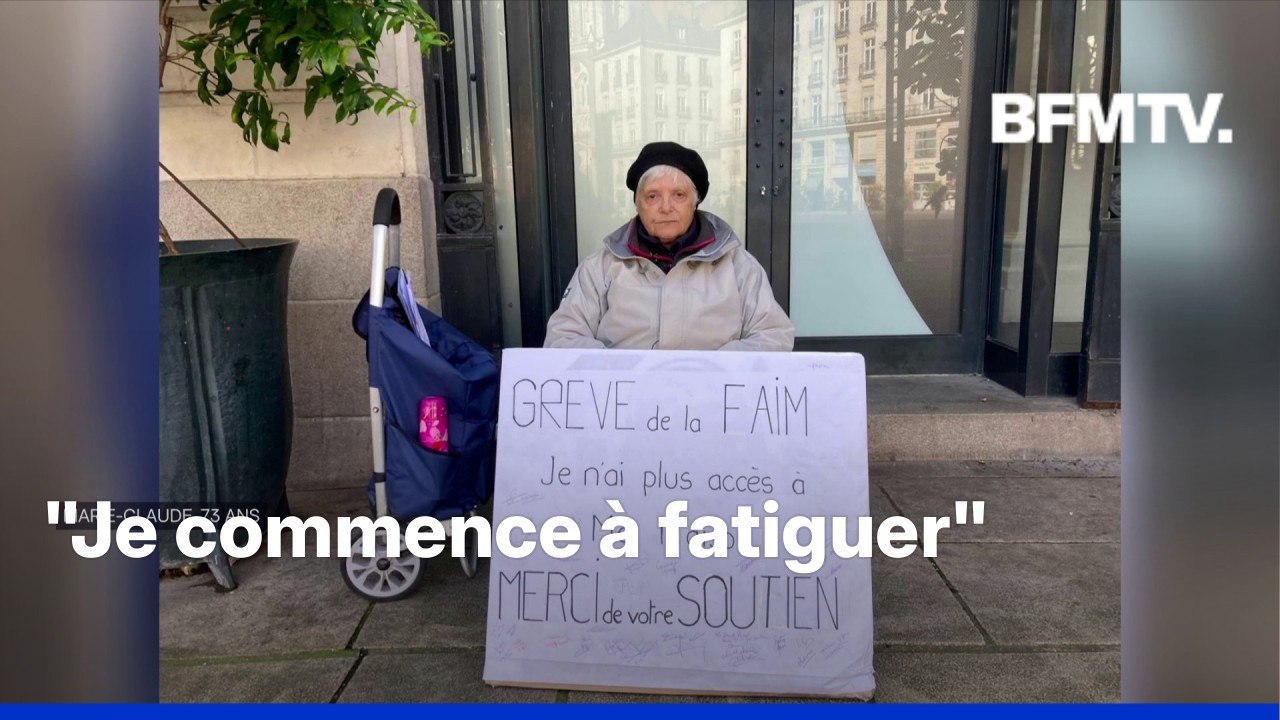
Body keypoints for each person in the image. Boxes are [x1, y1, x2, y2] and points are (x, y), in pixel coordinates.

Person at [544, 141, 794, 351]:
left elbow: (774, 336)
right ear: (637, 204)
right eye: (652, 196)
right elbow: (563, 337)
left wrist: (717, 369)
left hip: (710, 402)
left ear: (694, 202)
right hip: (628, 404)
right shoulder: (602, 267)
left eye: (679, 195)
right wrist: (618, 370)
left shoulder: (737, 264)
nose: (665, 207)